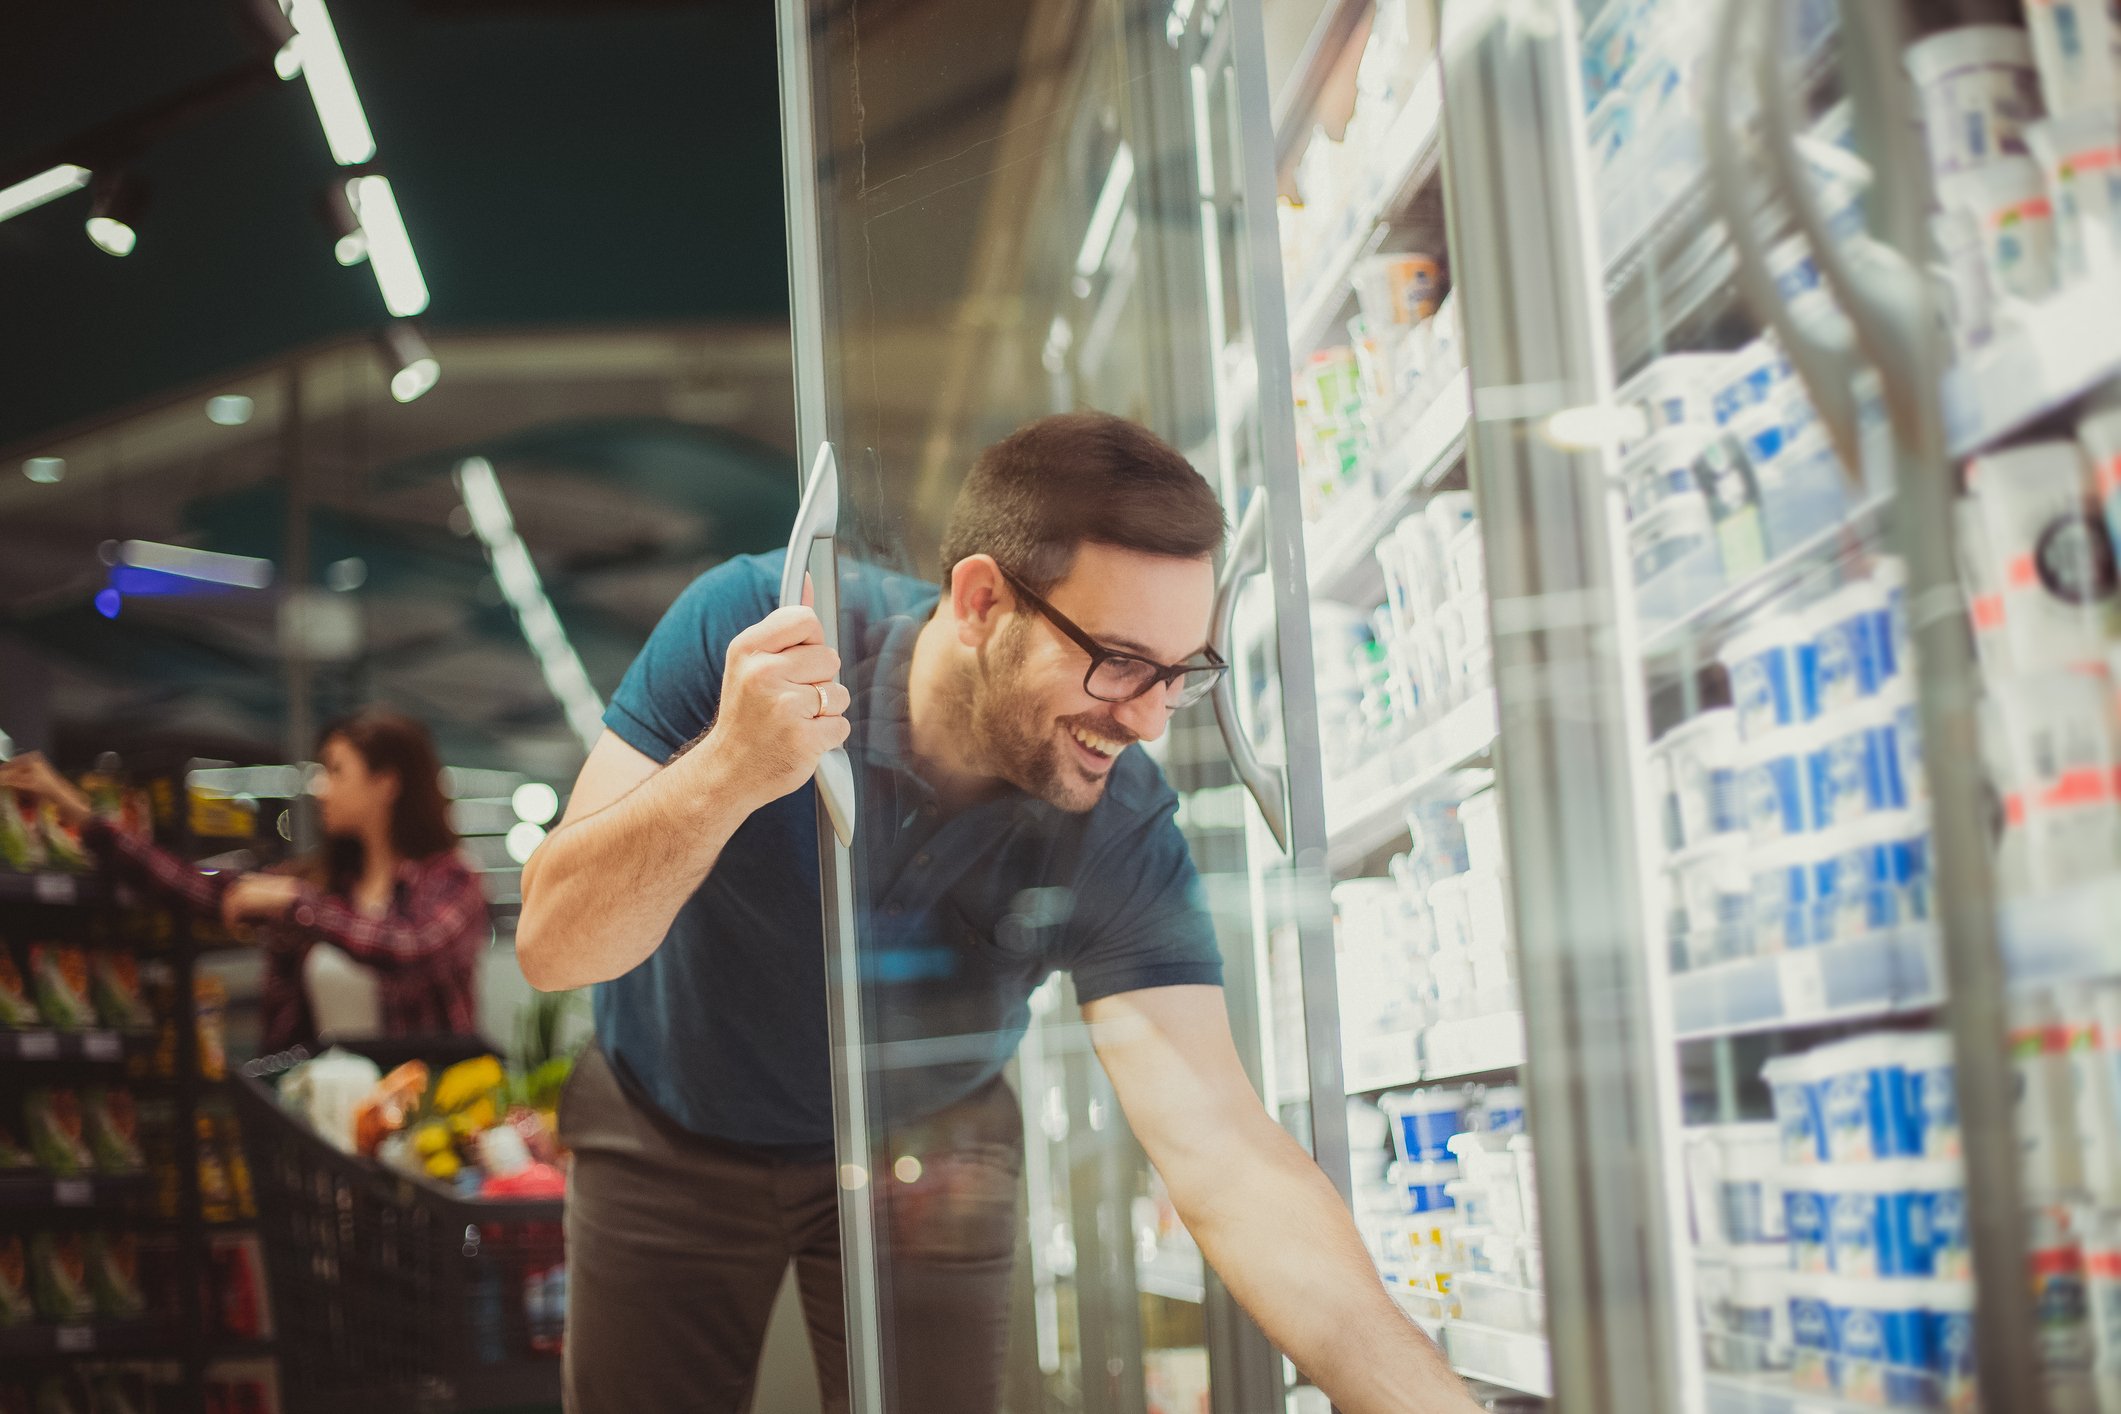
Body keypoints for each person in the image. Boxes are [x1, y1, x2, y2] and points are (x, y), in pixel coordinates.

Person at [519, 412, 1483, 1414]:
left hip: (924, 1146)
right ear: (981, 601)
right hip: (670, 1118)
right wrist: (730, 768)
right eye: (1118, 660)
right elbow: (554, 946)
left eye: (1182, 673)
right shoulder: (760, 629)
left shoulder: (1120, 821)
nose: (1149, 717)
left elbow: (1227, 1156)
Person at [2, 709, 489, 1052]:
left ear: (387, 783)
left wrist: (298, 904)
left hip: (430, 1121)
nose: (319, 788)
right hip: (327, 1134)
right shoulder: (324, 884)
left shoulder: (453, 881)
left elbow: (409, 947)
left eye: (336, 771)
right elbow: (201, 890)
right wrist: (82, 816)